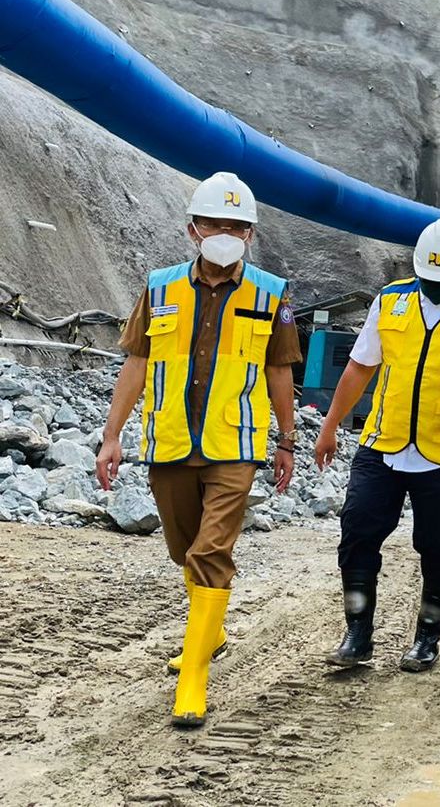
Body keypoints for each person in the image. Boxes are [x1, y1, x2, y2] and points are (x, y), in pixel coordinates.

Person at [95, 172, 300, 728]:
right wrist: (111, 435)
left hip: (235, 443)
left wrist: (286, 440)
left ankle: (194, 677)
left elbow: (279, 370)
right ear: (192, 230)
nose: (225, 233)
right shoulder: (159, 287)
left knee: (211, 552)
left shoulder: (271, 294)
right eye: (214, 223)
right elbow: (136, 363)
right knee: (184, 549)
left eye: (236, 225)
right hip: (169, 441)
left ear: (251, 234)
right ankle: (212, 630)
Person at [314, 219, 440, 672]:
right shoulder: (392, 300)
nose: (434, 287)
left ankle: (427, 638)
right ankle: (357, 634)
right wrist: (330, 425)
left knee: (438, 548)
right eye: (428, 280)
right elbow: (360, 367)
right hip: (382, 442)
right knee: (358, 533)